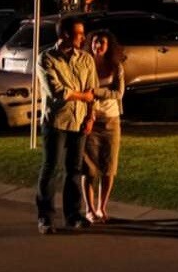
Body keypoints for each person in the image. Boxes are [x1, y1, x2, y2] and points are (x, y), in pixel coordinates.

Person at [35, 16, 98, 234]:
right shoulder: (46, 59)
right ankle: (45, 218)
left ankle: (73, 215)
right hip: (56, 121)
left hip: (80, 121)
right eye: (79, 34)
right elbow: (57, 92)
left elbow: (93, 90)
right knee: (50, 168)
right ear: (65, 35)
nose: (83, 37)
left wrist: (90, 117)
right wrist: (84, 97)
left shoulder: (86, 59)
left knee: (74, 170)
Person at [82, 29, 125, 223]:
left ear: (109, 47)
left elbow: (118, 93)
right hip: (90, 120)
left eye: (102, 43)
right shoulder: (84, 64)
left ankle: (102, 207)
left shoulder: (116, 67)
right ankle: (89, 209)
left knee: (109, 168)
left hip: (111, 120)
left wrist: (96, 92)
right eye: (95, 42)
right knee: (89, 169)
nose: (97, 45)